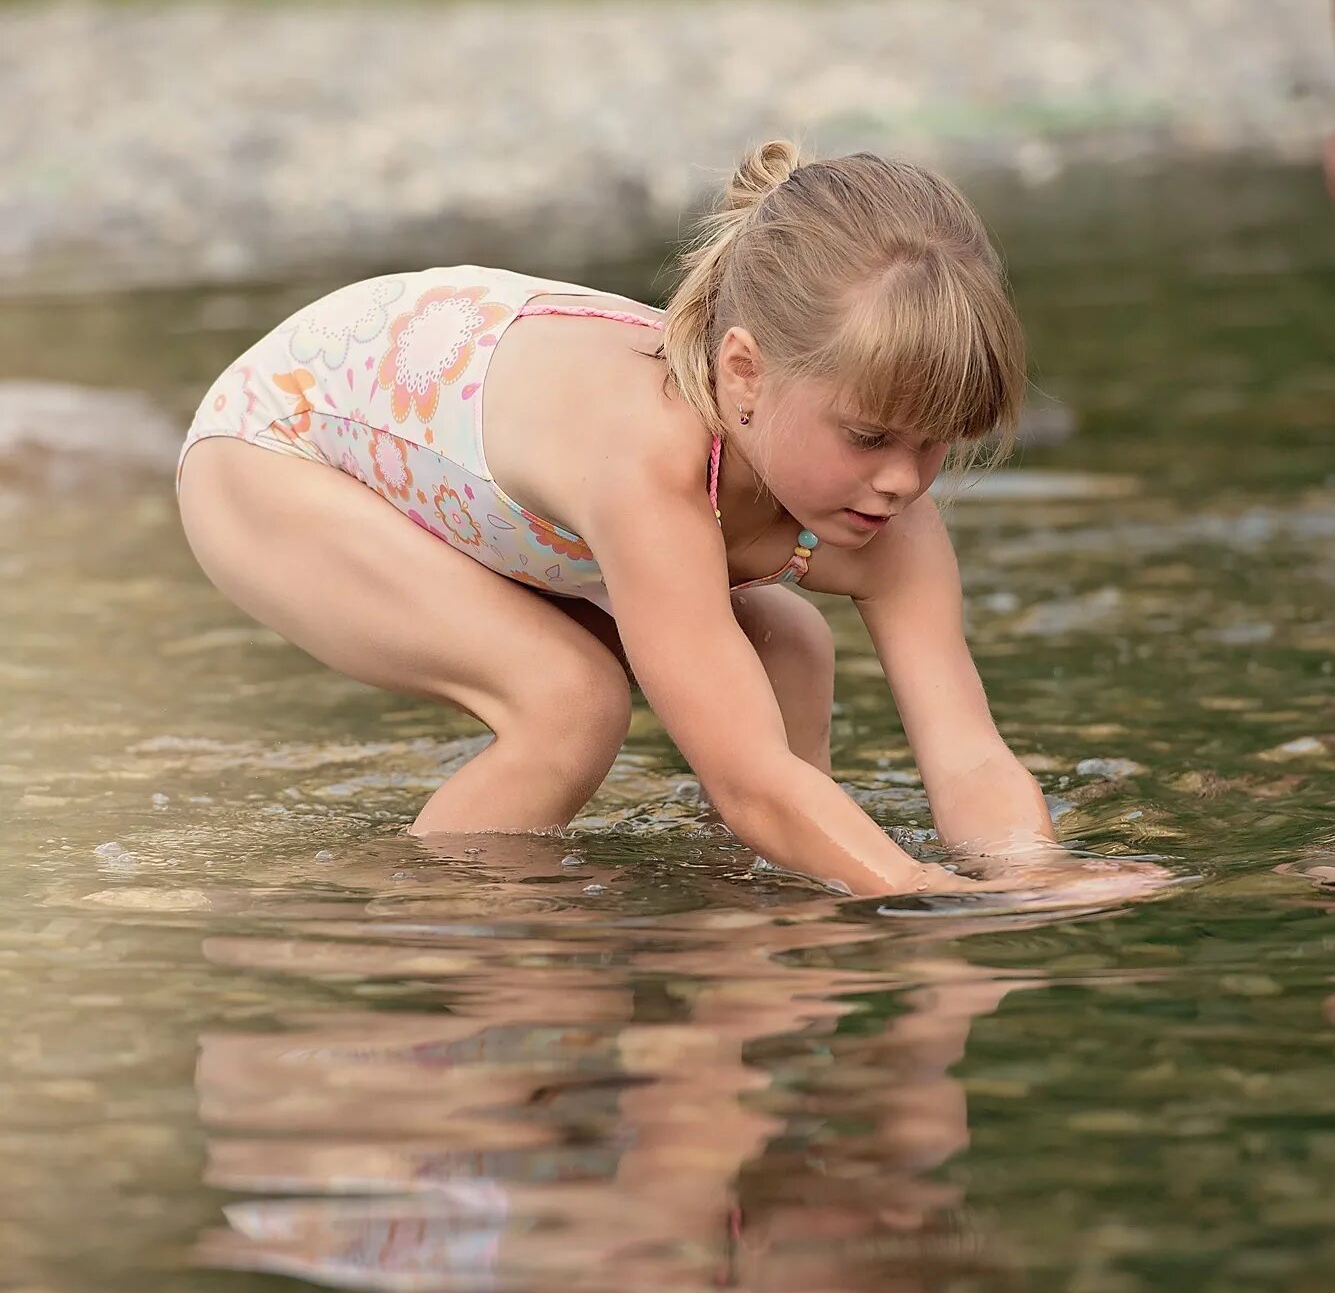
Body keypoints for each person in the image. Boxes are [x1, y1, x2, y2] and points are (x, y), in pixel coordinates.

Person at [177, 140, 1164, 903]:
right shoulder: (648, 463)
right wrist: (917, 892)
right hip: (280, 451)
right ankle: (435, 931)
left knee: (789, 647)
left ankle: (752, 915)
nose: (905, 480)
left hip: (478, 479)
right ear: (745, 371)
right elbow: (749, 778)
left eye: (938, 442)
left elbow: (969, 755)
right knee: (569, 700)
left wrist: (1030, 871)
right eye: (869, 436)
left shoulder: (889, 507)